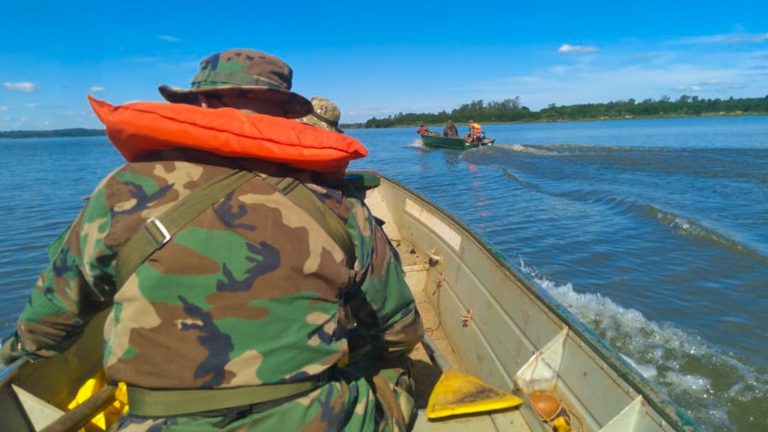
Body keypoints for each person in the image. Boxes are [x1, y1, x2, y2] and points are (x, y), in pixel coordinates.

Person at [0, 49, 423, 431]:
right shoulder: (338, 203)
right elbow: (399, 333)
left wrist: (19, 349)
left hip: (158, 422)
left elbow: (49, 320)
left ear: (199, 103)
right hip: (308, 418)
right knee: (393, 373)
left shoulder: (120, 190)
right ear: (285, 112)